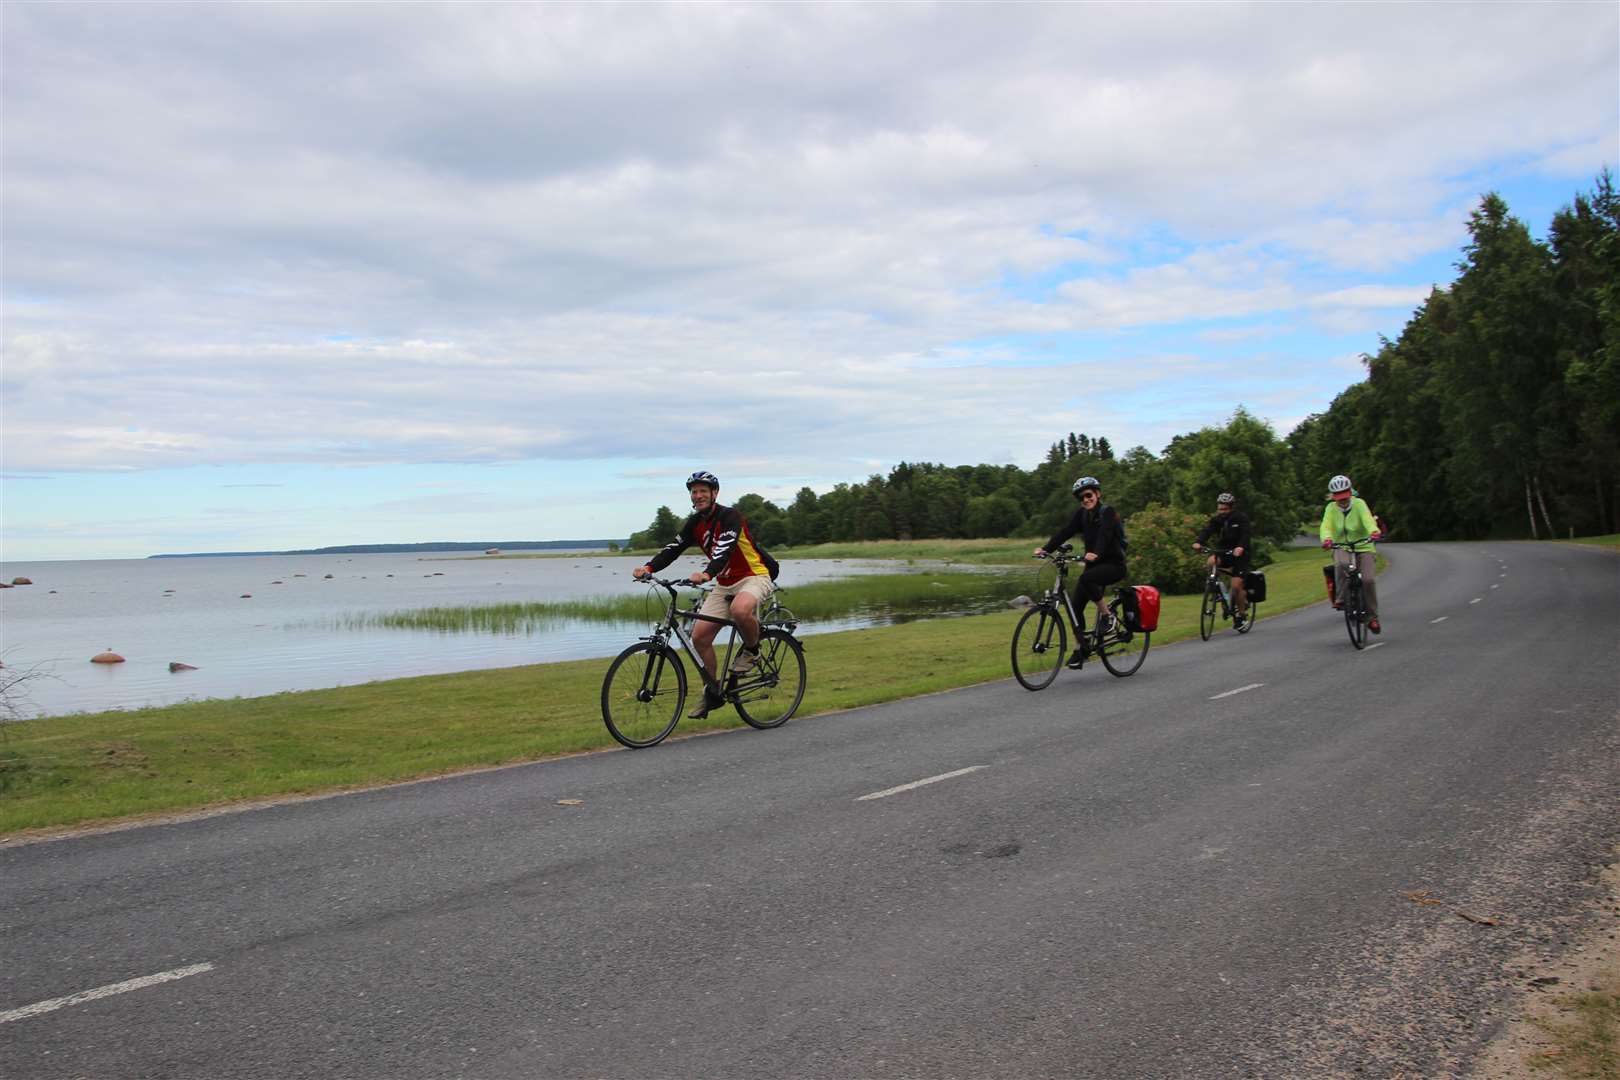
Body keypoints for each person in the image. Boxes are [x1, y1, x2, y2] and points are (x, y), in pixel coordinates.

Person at [634, 471, 779, 717]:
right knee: (699, 637)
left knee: (739, 610)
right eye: (694, 491)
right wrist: (648, 567)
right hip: (725, 582)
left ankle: (753, 651)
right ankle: (712, 693)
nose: (698, 495)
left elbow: (724, 548)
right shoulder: (694, 523)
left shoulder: (731, 517)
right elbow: (673, 548)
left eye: (703, 491)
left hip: (754, 575)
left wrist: (706, 573)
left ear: (714, 493)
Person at [1033, 476, 1128, 669]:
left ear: (1097, 494)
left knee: (1086, 578)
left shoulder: (1107, 512)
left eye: (1088, 495)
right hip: (1094, 565)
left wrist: (1097, 553)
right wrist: (1046, 549)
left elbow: (1106, 534)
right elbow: (1065, 531)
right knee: (1075, 608)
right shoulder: (1082, 515)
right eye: (1081, 497)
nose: (1085, 500)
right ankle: (1081, 649)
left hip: (1114, 564)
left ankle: (1107, 616)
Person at [1319, 474, 1383, 634]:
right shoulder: (1330, 509)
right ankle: (1341, 598)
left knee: (1368, 580)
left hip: (1364, 545)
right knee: (1341, 564)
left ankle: (1372, 618)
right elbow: (1325, 526)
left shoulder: (1359, 504)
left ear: (1350, 492)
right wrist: (1326, 539)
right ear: (1333, 497)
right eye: (1338, 497)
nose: (1342, 500)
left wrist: (1374, 531)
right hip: (1342, 545)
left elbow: (1367, 520)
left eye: (1344, 495)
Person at [1193, 492, 1252, 629]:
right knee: (1211, 562)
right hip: (1224, 551)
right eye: (1220, 509)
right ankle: (1217, 588)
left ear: (1231, 508)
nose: (1222, 512)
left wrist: (1241, 547)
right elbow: (1207, 531)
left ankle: (1241, 616)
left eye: (1225, 509)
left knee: (1237, 587)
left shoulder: (1241, 518)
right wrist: (1198, 542)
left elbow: (1246, 534)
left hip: (1240, 555)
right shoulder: (1217, 520)